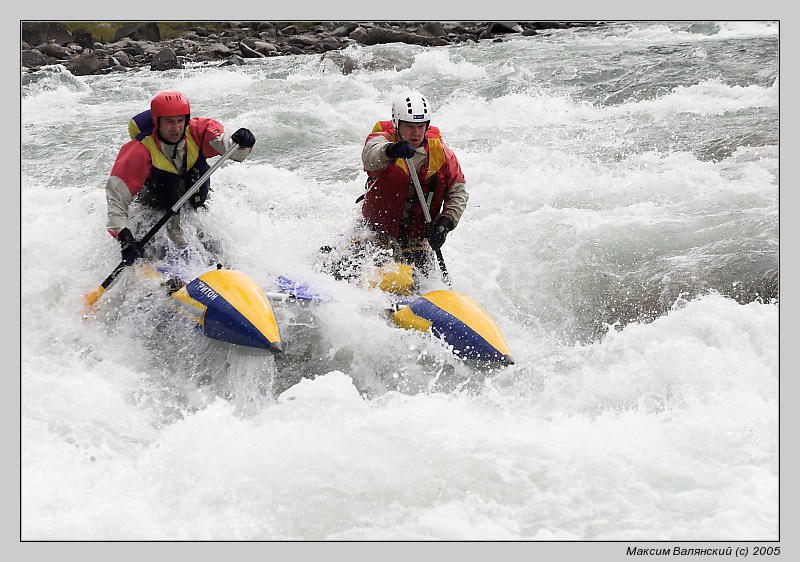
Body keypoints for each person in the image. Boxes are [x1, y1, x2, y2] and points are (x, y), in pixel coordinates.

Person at [105, 90, 256, 267]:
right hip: (155, 215)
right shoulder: (140, 150)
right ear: (157, 121)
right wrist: (124, 236)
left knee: (218, 251)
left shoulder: (199, 131)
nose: (176, 128)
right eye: (169, 122)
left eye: (180, 121)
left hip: (194, 211)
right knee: (170, 258)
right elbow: (117, 197)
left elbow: (234, 151)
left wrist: (243, 143)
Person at [356, 90, 468, 278]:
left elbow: (458, 192)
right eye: (409, 127)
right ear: (397, 124)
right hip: (374, 234)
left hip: (416, 240)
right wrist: (390, 151)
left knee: (420, 283)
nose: (416, 133)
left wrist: (445, 223)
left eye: (421, 126)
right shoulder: (383, 141)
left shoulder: (442, 154)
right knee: (357, 272)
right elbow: (370, 157)